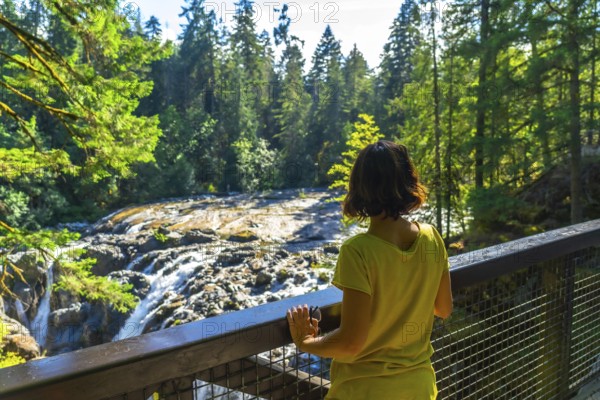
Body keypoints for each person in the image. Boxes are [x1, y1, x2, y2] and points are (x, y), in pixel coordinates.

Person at [287, 140, 453, 399]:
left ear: (359, 188)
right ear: (408, 181)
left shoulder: (358, 251)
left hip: (364, 390)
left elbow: (351, 343)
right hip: (419, 387)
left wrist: (307, 342)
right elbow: (443, 308)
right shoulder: (431, 238)